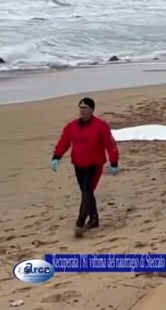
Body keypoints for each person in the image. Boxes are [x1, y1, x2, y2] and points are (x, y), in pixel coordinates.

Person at [51, 97, 119, 235]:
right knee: (86, 193)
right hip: (78, 165)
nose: (82, 111)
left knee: (87, 192)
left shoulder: (101, 126)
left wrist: (114, 162)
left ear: (91, 110)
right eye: (80, 108)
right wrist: (56, 157)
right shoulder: (72, 127)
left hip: (94, 165)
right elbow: (64, 142)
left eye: (85, 108)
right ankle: (94, 219)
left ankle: (80, 222)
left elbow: (110, 145)